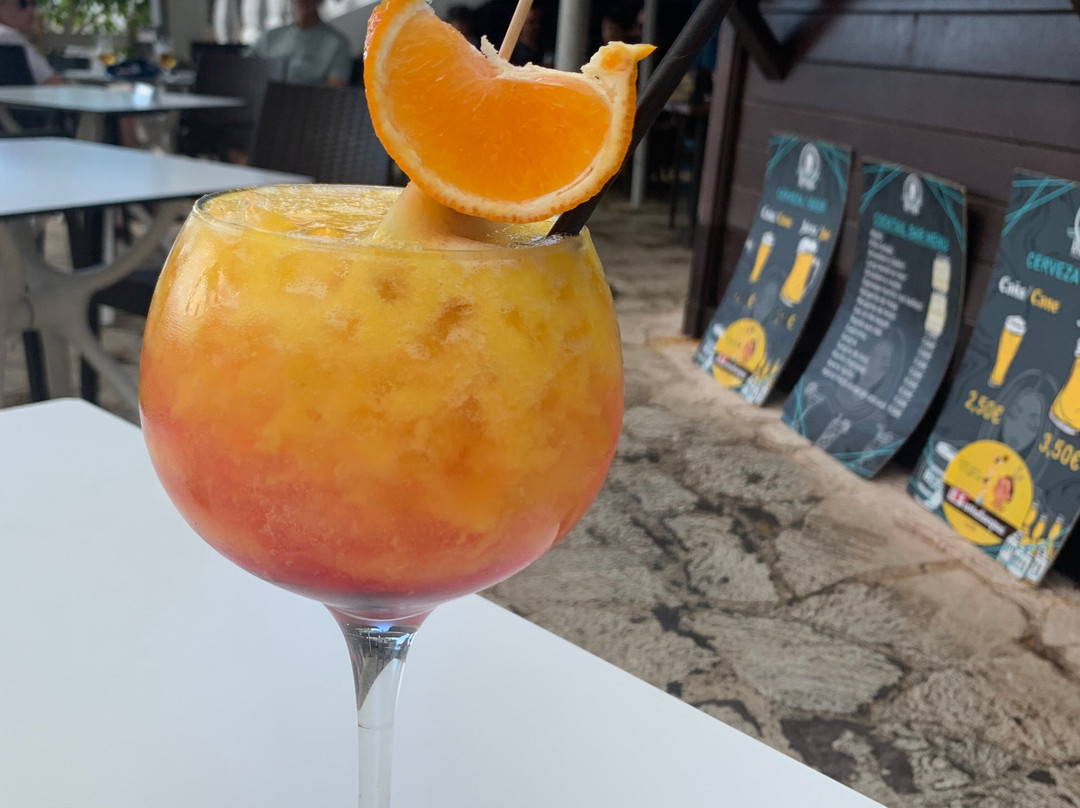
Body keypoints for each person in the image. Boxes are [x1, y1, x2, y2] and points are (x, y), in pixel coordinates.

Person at [252, 0, 352, 87]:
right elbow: (246, 70)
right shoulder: (270, 37)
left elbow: (336, 90)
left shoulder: (337, 42)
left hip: (309, 101)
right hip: (263, 98)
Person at [0, 0, 61, 85]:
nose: (31, 10)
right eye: (22, 4)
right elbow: (53, 83)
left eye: (33, 4)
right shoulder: (12, 38)